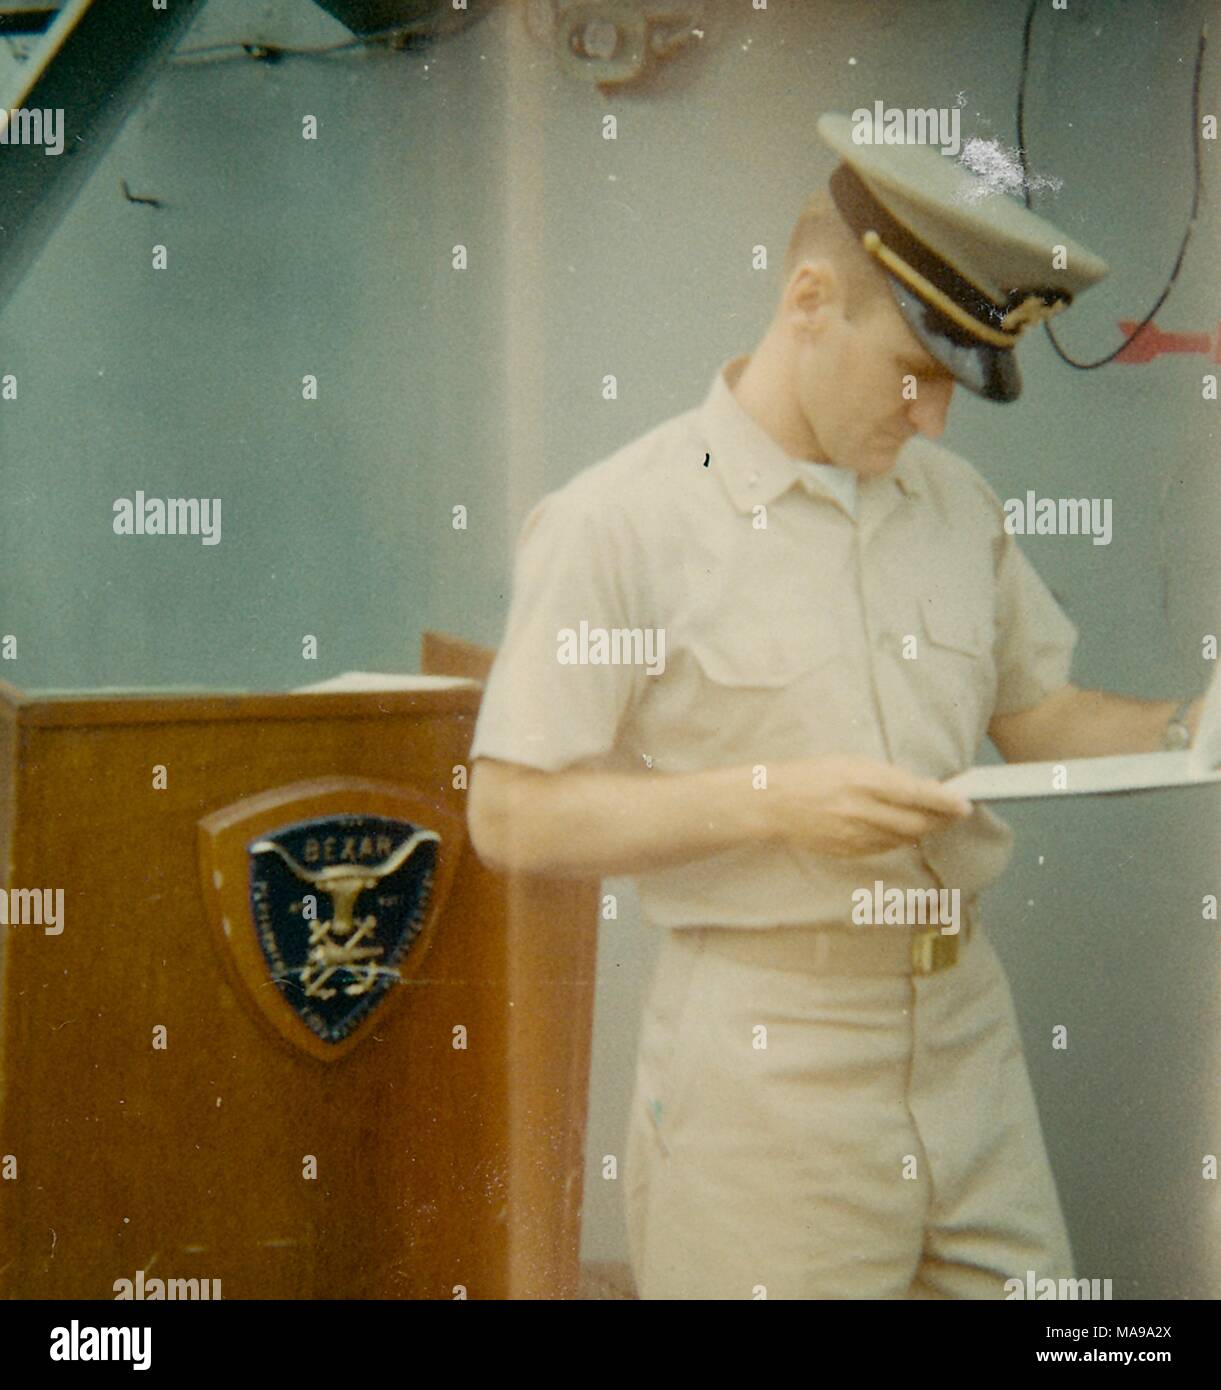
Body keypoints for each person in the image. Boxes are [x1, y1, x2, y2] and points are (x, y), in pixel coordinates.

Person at [464, 113, 1205, 1299]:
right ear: (811, 300)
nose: (932, 420)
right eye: (916, 374)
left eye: (956, 386)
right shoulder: (623, 521)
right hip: (768, 1065)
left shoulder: (952, 504)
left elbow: (1044, 716)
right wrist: (771, 801)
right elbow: (510, 813)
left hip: (967, 1033)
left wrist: (1194, 726)